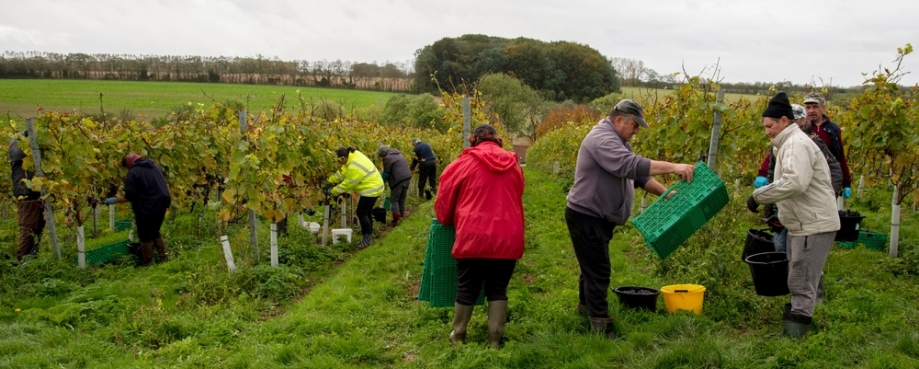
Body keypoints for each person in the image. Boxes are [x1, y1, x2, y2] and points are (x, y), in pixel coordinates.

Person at [565, 99, 695, 340]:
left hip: (596, 216)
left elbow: (636, 176)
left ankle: (585, 310)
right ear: (618, 120)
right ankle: (602, 327)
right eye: (635, 126)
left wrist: (665, 193)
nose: (636, 132)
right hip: (587, 215)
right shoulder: (602, 139)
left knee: (591, 266)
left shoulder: (617, 140)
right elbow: (629, 165)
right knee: (599, 271)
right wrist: (674, 167)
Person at [747, 92, 839, 339]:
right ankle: (793, 330)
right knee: (798, 276)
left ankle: (795, 338)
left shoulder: (796, 145)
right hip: (804, 222)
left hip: (814, 223)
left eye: (770, 126)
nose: (766, 131)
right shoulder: (788, 143)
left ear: (784, 121)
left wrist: (759, 196)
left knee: (802, 280)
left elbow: (794, 183)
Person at [435, 124, 524, 348]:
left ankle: (459, 336)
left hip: (472, 236)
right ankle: (494, 341)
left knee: (467, 287)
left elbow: (444, 198)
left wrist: (446, 219)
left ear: (473, 140)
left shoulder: (462, 164)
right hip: (507, 236)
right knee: (498, 289)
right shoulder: (514, 164)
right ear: (497, 140)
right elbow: (518, 191)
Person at [754, 103, 843, 252]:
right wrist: (772, 208)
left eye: (794, 121)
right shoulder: (782, 143)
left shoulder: (802, 143)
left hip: (808, 214)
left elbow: (795, 183)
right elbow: (773, 173)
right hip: (788, 209)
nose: (767, 131)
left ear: (802, 121)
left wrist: (826, 198)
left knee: (802, 265)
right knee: (785, 252)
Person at [104, 154, 172, 266]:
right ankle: (164, 258)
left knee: (145, 235)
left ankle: (148, 263)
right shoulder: (154, 166)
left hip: (147, 205)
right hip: (163, 201)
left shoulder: (133, 172)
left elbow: (130, 195)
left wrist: (115, 200)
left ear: (128, 164)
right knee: (155, 231)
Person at [326, 146, 384, 248]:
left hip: (371, 189)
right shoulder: (353, 157)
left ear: (343, 158)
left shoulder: (354, 166)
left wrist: (332, 191)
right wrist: (330, 180)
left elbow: (348, 184)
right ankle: (369, 234)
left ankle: (367, 237)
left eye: (339, 161)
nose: (339, 163)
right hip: (374, 185)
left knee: (361, 212)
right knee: (366, 212)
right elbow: (342, 172)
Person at [804, 92, 851, 199]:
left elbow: (840, 156)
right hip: (806, 178)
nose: (811, 110)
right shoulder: (800, 128)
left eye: (815, 107)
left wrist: (846, 183)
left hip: (828, 178)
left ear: (823, 108)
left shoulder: (833, 129)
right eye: (808, 107)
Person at [8, 130, 45, 261]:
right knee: (28, 229)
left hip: (39, 194)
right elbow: (19, 153)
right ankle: (22, 261)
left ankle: (32, 260)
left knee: (38, 229)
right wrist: (35, 143)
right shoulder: (16, 142)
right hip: (26, 193)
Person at [377, 145, 411, 225]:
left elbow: (386, 173)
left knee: (394, 200)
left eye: (381, 155)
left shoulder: (387, 158)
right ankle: (401, 217)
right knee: (401, 200)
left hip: (398, 181)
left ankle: (396, 219)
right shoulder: (398, 154)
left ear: (383, 153)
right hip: (407, 178)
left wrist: (380, 181)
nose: (381, 157)